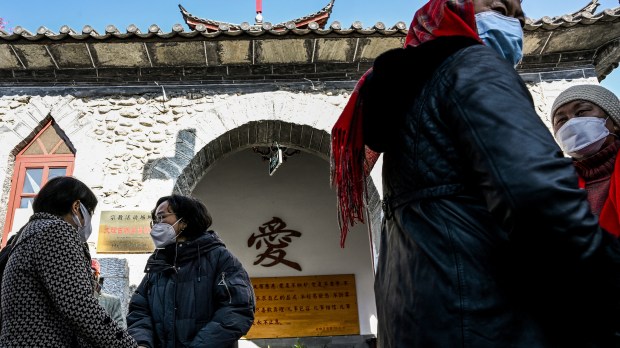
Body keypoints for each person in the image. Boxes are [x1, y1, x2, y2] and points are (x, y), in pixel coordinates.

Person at [330, 0, 620, 347]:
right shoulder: (473, 65)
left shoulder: (406, 94)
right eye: (498, 6)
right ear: (453, 6)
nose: (513, 20)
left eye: (516, 14)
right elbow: (537, 198)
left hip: (423, 323)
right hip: (486, 317)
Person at [0, 176, 137, 347]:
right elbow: (78, 305)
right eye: (90, 213)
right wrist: (127, 345)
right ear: (76, 207)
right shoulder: (56, 231)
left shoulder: (28, 233)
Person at [127, 194, 255, 348]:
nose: (157, 225)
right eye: (155, 220)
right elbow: (139, 310)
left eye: (162, 217)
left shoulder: (220, 258)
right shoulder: (159, 265)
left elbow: (237, 309)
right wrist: (142, 343)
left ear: (185, 221)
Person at [551, 84, 620, 237]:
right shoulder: (556, 186)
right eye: (561, 120)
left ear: (614, 122)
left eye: (582, 112)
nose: (571, 123)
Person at [92, 258, 127, 329]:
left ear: (98, 275)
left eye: (94, 273)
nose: (92, 276)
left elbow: (120, 329)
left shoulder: (113, 301)